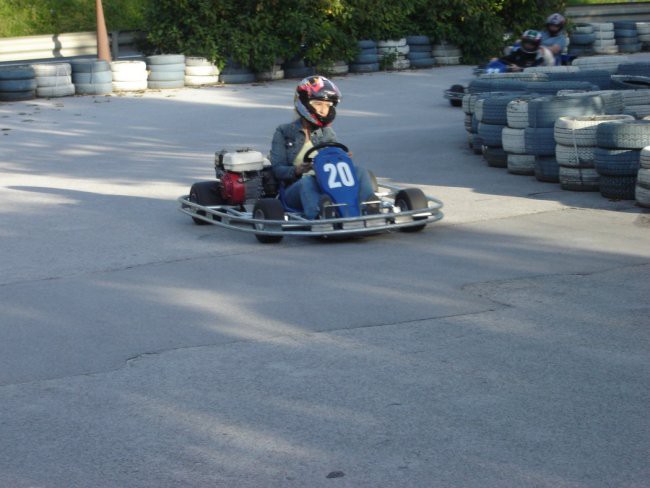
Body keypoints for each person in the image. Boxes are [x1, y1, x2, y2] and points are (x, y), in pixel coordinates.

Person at [269, 75, 376, 219]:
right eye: (318, 104)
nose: (323, 110)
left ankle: (368, 209)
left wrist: (341, 158)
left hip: (326, 184)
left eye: (327, 105)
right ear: (304, 102)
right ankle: (320, 215)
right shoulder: (283, 132)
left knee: (361, 172)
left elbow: (334, 162)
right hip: (294, 189)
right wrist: (299, 169)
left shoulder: (327, 132)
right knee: (307, 182)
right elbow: (277, 170)